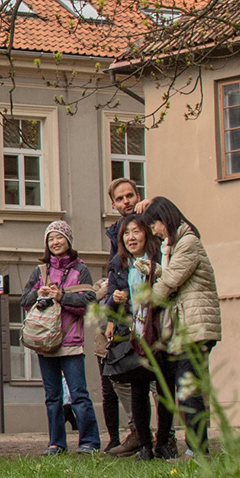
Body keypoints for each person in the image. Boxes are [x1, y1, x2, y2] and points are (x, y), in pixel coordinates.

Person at [142, 196, 223, 456]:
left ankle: (199, 449)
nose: (153, 231)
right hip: (187, 328)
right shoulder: (176, 246)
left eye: (153, 225)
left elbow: (171, 281)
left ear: (164, 220)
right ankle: (197, 448)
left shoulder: (188, 243)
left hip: (195, 328)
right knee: (188, 389)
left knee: (189, 390)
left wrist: (146, 301)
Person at [26, 219, 102, 454]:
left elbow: (90, 302)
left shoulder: (81, 270)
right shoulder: (40, 271)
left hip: (70, 341)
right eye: (51, 238)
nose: (55, 242)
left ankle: (89, 442)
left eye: (59, 237)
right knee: (52, 397)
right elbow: (24, 302)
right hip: (45, 342)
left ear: (68, 240)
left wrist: (62, 297)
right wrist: (38, 294)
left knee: (79, 394)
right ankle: (56, 443)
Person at [106, 215, 162, 458]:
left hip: (159, 328)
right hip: (134, 332)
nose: (131, 237)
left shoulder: (158, 259)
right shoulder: (119, 263)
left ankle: (165, 440)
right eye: (126, 233)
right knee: (138, 386)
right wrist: (117, 300)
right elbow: (109, 301)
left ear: (146, 234)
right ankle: (144, 444)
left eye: (136, 231)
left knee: (163, 384)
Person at [97, 177, 144, 446]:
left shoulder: (148, 220)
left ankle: (163, 434)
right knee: (126, 374)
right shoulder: (115, 234)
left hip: (149, 308)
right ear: (113, 204)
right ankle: (138, 431)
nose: (126, 201)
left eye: (130, 196)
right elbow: (116, 271)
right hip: (124, 309)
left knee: (154, 376)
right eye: (120, 198)